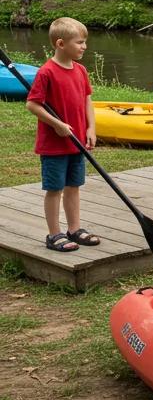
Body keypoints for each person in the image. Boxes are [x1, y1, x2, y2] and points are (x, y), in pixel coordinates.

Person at [25, 17, 99, 252]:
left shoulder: (81, 70)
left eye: (84, 42)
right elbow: (33, 105)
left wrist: (91, 128)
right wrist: (56, 124)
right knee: (55, 189)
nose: (84, 46)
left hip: (76, 142)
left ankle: (74, 229)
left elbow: (88, 99)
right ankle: (54, 234)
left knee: (74, 186)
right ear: (60, 44)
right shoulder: (47, 72)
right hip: (54, 145)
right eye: (79, 42)